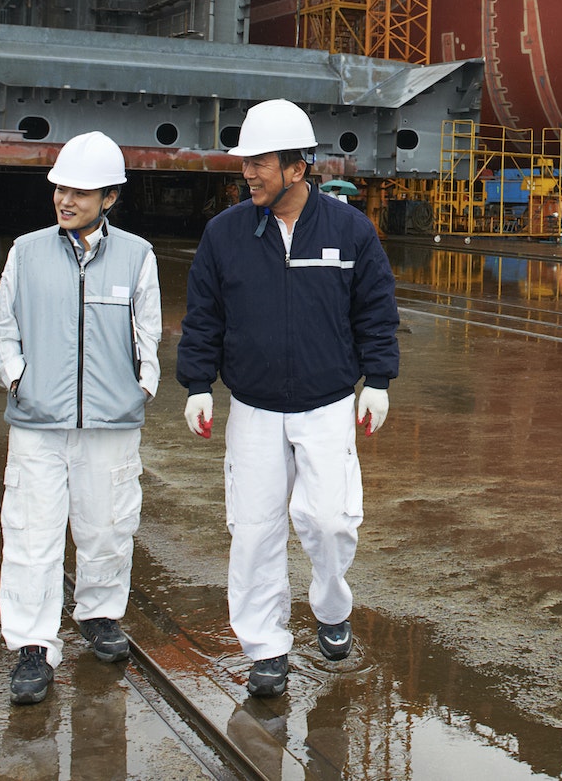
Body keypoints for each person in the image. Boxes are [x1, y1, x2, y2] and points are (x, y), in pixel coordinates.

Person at [176, 98, 397, 699]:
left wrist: (377, 379)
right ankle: (266, 647)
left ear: (298, 167)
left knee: (329, 522)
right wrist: (197, 382)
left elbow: (375, 311)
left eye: (261, 161)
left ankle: (330, 608)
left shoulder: (350, 231)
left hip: (326, 405)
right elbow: (204, 317)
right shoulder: (225, 235)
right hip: (252, 408)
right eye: (246, 160)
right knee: (253, 529)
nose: (248, 172)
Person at [0, 132, 162, 706]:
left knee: (108, 527)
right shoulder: (26, 251)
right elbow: (3, 328)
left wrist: (140, 386)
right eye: (60, 187)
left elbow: (148, 332)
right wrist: (18, 378)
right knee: (32, 536)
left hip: (111, 424)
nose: (65, 199)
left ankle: (100, 616)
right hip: (39, 423)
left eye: (80, 192)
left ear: (109, 198)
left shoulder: (136, 255)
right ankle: (33, 646)